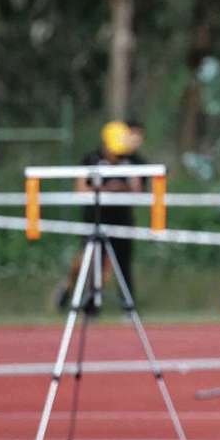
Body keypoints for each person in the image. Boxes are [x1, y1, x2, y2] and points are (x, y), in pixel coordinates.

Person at [54, 121, 142, 309]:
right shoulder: (91, 160)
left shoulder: (130, 161)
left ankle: (128, 306)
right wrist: (105, 189)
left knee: (121, 263)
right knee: (90, 259)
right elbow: (80, 190)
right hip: (95, 219)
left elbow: (137, 190)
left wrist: (122, 189)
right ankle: (81, 297)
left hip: (122, 221)